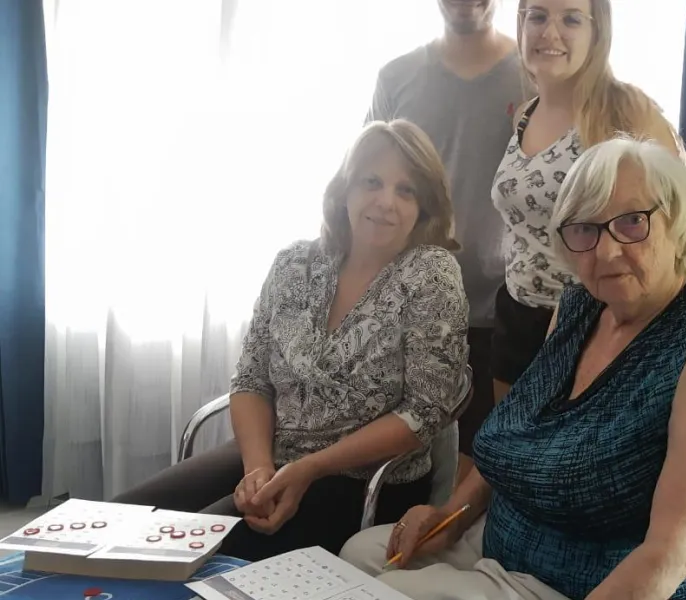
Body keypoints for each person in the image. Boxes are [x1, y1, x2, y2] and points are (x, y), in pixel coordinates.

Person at [341, 138, 686, 600]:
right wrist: (451, 516)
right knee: (357, 558)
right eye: (585, 229)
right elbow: (520, 435)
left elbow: (671, 553)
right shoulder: (579, 307)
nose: (607, 252)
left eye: (632, 222)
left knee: (383, 592)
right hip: (509, 543)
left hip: (595, 580)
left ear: (677, 221)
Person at [113, 119, 470, 561]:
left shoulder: (432, 276)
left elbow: (424, 413)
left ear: (424, 207)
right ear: (345, 189)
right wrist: (258, 468)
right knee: (121, 520)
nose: (386, 202)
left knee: (181, 552)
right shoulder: (295, 263)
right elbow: (251, 379)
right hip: (273, 455)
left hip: (365, 482)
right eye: (372, 182)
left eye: (406, 190)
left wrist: (310, 468)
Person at [490, 0, 686, 402]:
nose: (549, 32)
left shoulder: (625, 110)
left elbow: (676, 215)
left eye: (571, 19)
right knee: (505, 439)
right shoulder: (525, 115)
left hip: (592, 322)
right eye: (538, 16)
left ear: (597, 31)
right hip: (516, 313)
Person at [367, 0, 530, 474]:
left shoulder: (536, 78)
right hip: (409, 313)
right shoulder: (396, 77)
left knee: (482, 476)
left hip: (505, 315)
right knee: (401, 474)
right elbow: (364, 187)